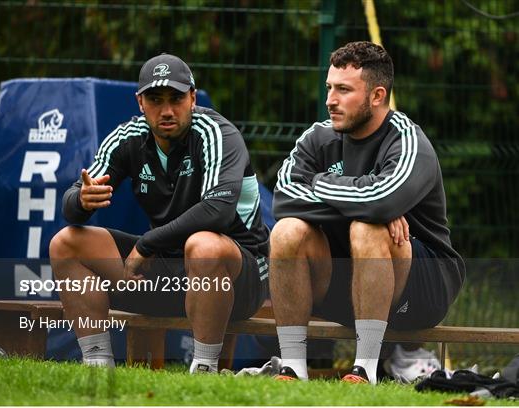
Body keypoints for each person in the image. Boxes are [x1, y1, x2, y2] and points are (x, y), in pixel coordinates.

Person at [49, 53, 269, 373]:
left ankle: (204, 372)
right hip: (166, 271)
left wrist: (147, 243)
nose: (166, 110)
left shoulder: (217, 133)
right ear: (140, 103)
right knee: (66, 243)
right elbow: (72, 205)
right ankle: (97, 365)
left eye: (176, 98)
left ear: (192, 97)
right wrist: (81, 200)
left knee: (204, 245)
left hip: (239, 279)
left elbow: (217, 211)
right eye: (155, 99)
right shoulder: (127, 137)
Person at [269, 41, 465, 384]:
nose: (330, 100)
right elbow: (284, 198)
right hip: (348, 282)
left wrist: (320, 182)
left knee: (369, 228)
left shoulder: (408, 140)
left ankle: (366, 369)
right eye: (330, 88)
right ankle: (293, 367)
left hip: (422, 287)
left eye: (344, 90)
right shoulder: (318, 138)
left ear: (376, 96)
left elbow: (381, 203)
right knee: (286, 231)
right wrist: (364, 199)